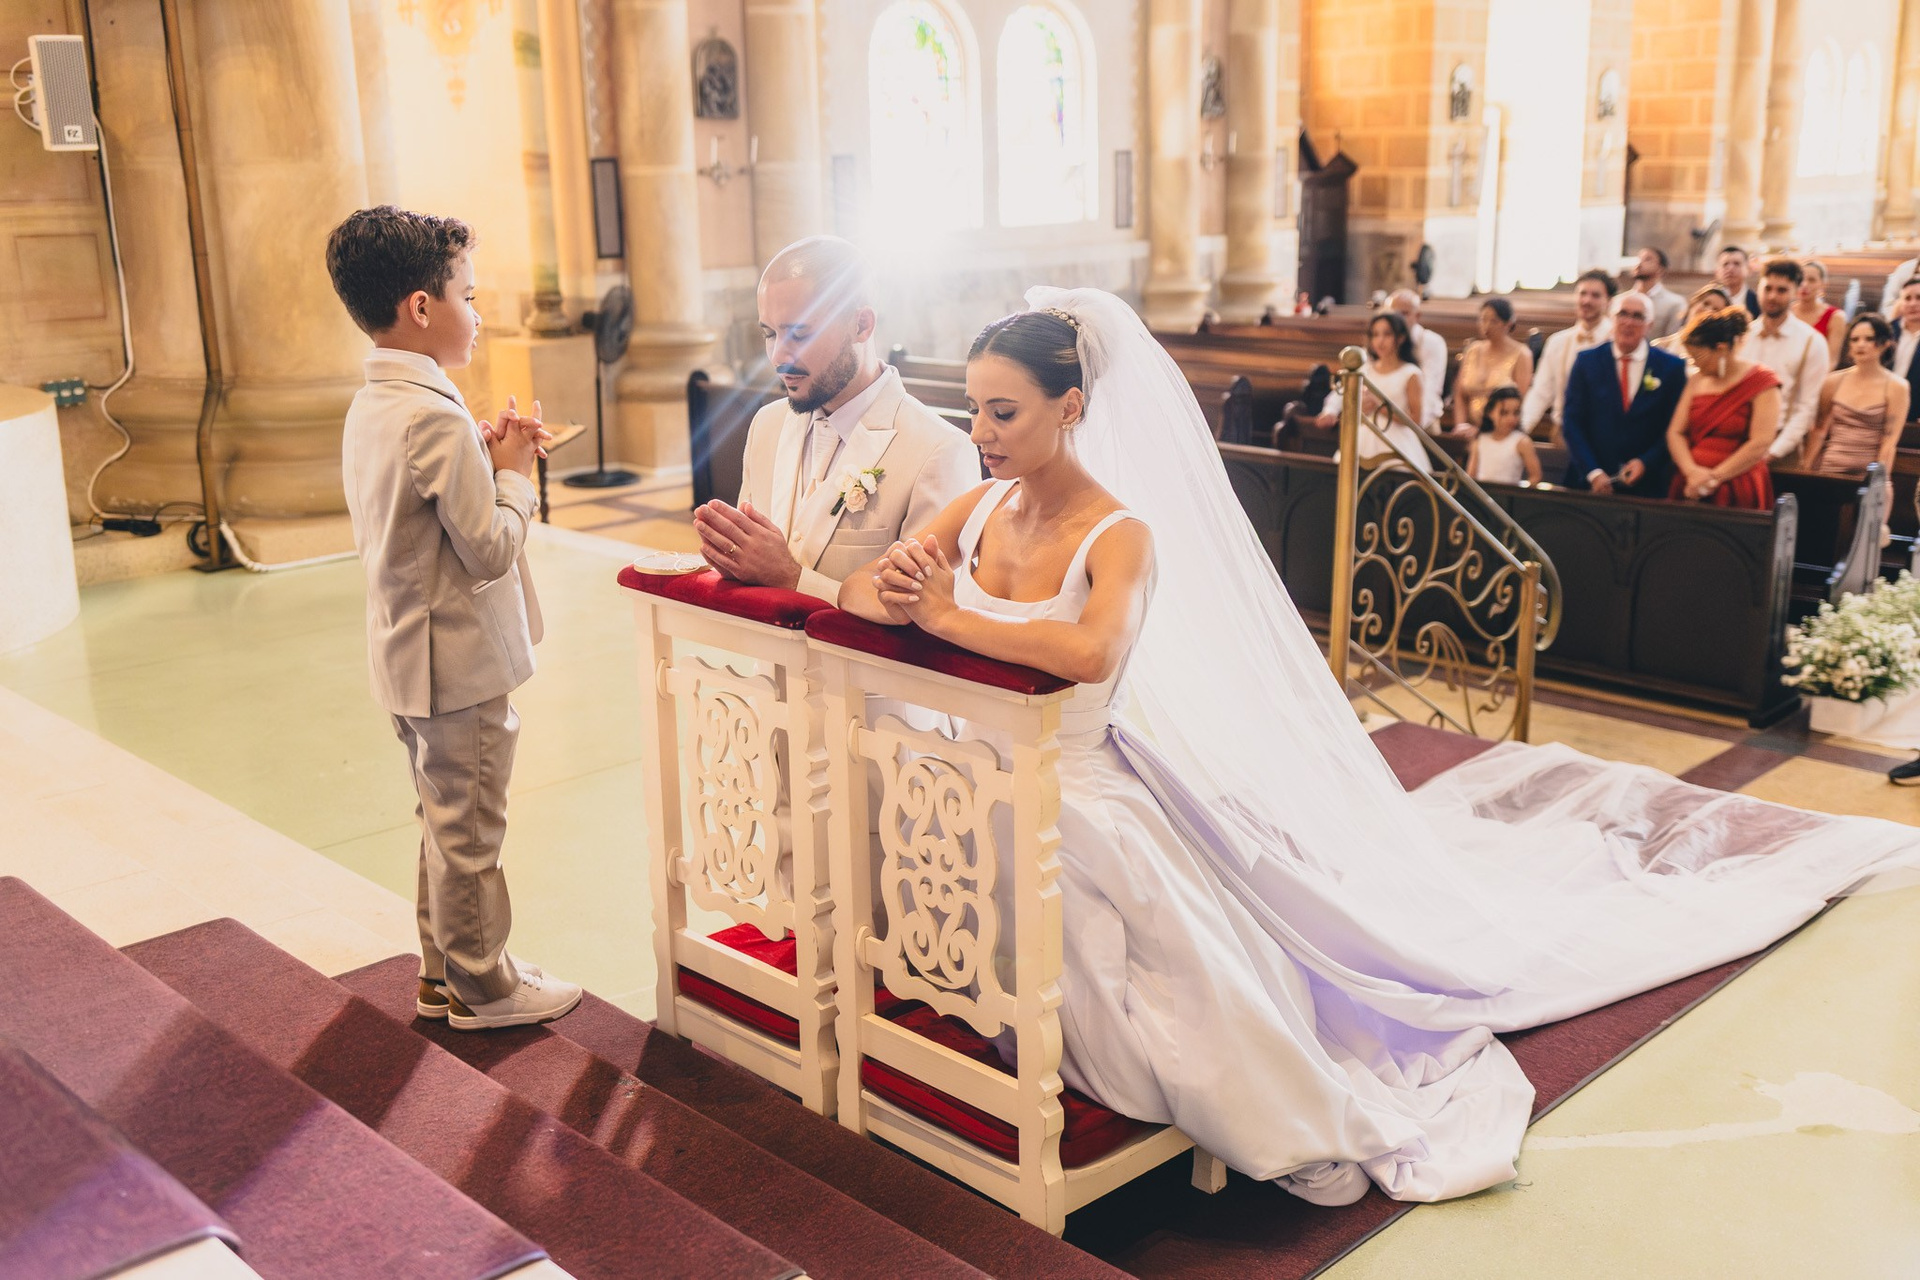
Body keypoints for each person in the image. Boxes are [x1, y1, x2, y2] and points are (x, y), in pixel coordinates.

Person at [837, 287, 1920, 1206]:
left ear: (1071, 406)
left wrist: (944, 617)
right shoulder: (979, 506)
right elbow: (863, 589)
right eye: (975, 409)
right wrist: (889, 587)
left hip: (1078, 788)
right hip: (967, 775)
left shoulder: (1120, 532)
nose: (982, 431)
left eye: (1004, 411)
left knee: (1170, 990)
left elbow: (1089, 650)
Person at [326, 206, 582, 1031]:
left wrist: (482, 453)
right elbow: (489, 548)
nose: (477, 312)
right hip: (457, 666)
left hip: (407, 656)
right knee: (471, 832)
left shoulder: (377, 404)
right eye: (468, 296)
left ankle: (441, 974)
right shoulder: (430, 415)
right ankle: (485, 988)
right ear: (421, 307)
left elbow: (418, 509)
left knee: (443, 824)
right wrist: (513, 475)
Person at [693, 237, 979, 601]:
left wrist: (791, 578)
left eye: (799, 333)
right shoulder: (767, 425)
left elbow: (931, 612)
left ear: (861, 325)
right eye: (769, 333)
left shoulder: (940, 450)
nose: (778, 356)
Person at [1559, 291, 1688, 494]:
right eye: (1623, 314)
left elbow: (1674, 427)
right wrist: (1593, 472)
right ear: (1612, 318)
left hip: (1647, 485)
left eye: (1638, 316)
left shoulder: (1671, 367)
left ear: (1650, 324)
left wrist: (1646, 462)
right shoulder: (1586, 361)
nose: (1628, 322)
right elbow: (1572, 421)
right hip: (1588, 482)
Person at [1666, 307, 1780, 510]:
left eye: (1698, 357)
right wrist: (1691, 472)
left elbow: (1761, 442)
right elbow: (1675, 432)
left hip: (1737, 481)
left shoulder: (1762, 381)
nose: (1695, 364)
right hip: (1690, 480)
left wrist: (1714, 477)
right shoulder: (1696, 380)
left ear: (1720, 349)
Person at [1314, 311, 1431, 472]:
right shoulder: (1364, 369)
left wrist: (1379, 407)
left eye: (1387, 334)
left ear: (1401, 338)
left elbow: (1417, 420)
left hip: (1396, 441)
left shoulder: (1411, 373)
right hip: (1363, 436)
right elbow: (1341, 394)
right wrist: (1332, 411)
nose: (1380, 341)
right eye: (1375, 335)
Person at [1740, 258, 1829, 461]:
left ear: (1796, 292)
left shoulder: (1812, 342)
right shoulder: (1742, 335)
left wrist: (1772, 452)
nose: (1772, 296)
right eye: (1767, 288)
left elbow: (1807, 408)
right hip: (1737, 437)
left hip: (1781, 443)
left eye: (1781, 290)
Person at [1522, 269, 1614, 438]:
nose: (1586, 301)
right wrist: (1519, 430)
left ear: (1608, 301)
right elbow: (1541, 392)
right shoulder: (1557, 342)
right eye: (1582, 294)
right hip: (1564, 432)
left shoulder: (1617, 341)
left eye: (1595, 295)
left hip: (1607, 434)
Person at [1451, 298, 1533, 434]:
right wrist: (1461, 425)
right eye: (1483, 320)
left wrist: (1484, 431)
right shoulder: (1473, 350)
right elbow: (1460, 393)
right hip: (1469, 430)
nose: (1486, 326)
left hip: (1502, 431)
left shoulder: (1522, 354)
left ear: (1508, 324)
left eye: (1493, 321)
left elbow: (1519, 400)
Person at [1468, 384, 1540, 485]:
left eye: (1516, 413)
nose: (1511, 418)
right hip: (1482, 492)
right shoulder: (1480, 440)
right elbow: (1471, 475)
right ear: (1490, 413)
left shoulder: (1522, 442)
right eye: (1504, 413)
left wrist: (1520, 491)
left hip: (1510, 493)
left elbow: (1535, 476)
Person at [1792, 258, 1845, 367]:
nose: (1804, 284)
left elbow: (1832, 361)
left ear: (1823, 284)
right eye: (1801, 279)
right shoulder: (1787, 312)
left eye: (1811, 280)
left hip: (1818, 372)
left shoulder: (1836, 317)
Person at [1655, 285, 1732, 358]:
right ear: (1693, 303)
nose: (1708, 311)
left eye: (1716, 310)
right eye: (1706, 303)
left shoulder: (1718, 356)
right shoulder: (1660, 347)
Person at [1632, 246, 1687, 337]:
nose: (1639, 263)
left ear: (1660, 270)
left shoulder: (1675, 303)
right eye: (1639, 259)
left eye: (1647, 259)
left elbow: (1671, 339)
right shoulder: (1620, 300)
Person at [1893, 277, 1920, 426]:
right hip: (1883, 409)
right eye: (1907, 298)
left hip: (1915, 415)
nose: (1913, 303)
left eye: (1919, 298)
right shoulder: (1887, 331)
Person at [1716, 244, 1761, 316]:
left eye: (1736, 264)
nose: (1730, 269)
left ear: (1748, 270)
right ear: (1717, 271)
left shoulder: (1758, 302)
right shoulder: (1711, 301)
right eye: (1725, 264)